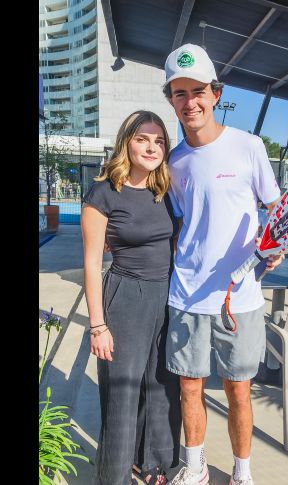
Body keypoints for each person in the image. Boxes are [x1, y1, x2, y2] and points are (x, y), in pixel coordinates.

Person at [161, 44, 283, 485]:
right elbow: (179, 225)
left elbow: (276, 210)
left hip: (241, 298)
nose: (189, 101)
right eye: (179, 93)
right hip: (188, 294)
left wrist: (276, 245)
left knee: (238, 392)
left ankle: (241, 474)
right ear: (171, 100)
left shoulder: (249, 146)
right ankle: (194, 469)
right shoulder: (173, 161)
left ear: (215, 93)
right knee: (189, 388)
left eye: (197, 91)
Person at [81, 110, 181, 485]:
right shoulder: (103, 192)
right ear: (127, 142)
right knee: (123, 395)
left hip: (167, 295)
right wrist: (97, 325)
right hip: (125, 297)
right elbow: (92, 264)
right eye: (143, 139)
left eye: (158, 141)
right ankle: (114, 476)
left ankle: (155, 466)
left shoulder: (166, 191)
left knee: (162, 387)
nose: (152, 147)